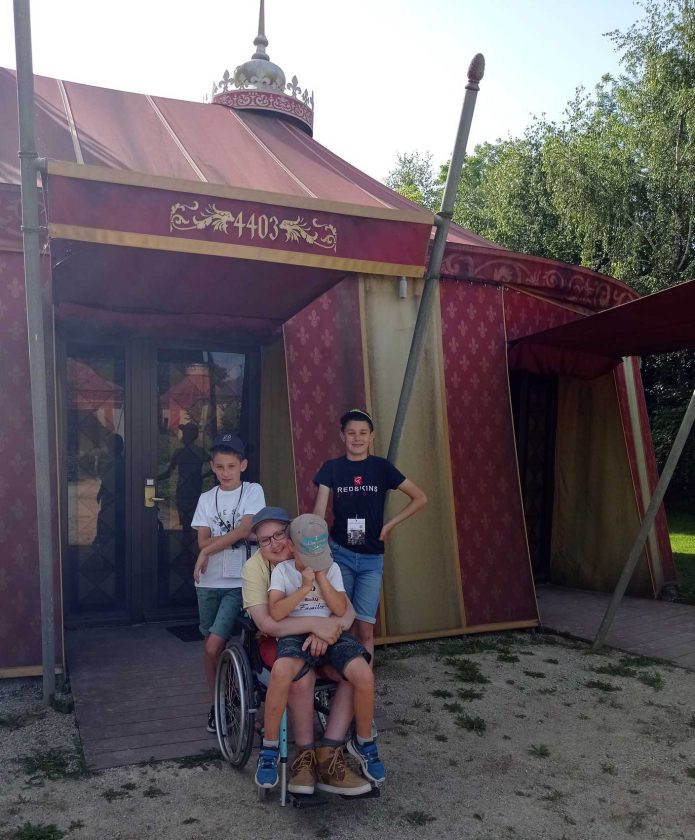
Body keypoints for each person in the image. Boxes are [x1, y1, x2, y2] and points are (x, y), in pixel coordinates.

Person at [242, 507, 371, 796]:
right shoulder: (257, 568)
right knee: (301, 678)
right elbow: (267, 623)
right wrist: (317, 626)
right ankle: (304, 756)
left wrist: (326, 631)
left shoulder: (313, 552)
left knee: (352, 671)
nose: (275, 544)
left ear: (291, 536)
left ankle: (330, 752)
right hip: (276, 636)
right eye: (265, 540)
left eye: (279, 535)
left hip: (324, 634)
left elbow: (347, 611)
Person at [313, 408, 427, 659]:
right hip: (340, 555)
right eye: (351, 433)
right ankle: (342, 676)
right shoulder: (331, 468)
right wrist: (314, 544)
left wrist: (390, 524)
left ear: (371, 436)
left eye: (363, 433)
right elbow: (319, 512)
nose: (357, 438)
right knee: (341, 622)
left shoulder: (381, 468)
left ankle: (364, 681)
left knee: (365, 629)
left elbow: (420, 498)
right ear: (342, 435)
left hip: (371, 559)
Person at [191, 432, 265, 733]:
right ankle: (219, 704)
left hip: (239, 581)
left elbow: (247, 529)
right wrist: (208, 548)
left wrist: (209, 549)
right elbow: (203, 540)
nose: (226, 472)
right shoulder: (206, 498)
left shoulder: (253, 491)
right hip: (208, 581)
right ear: (212, 466)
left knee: (214, 645)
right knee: (209, 645)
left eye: (231, 466)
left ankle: (239, 695)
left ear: (243, 465)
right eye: (220, 466)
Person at [157, 422, 206, 537]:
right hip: (193, 490)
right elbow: (215, 467)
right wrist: (203, 476)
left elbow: (168, 473)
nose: (182, 436)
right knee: (194, 522)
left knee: (186, 525)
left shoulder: (180, 452)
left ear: (190, 435)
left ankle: (189, 543)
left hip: (184, 491)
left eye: (185, 433)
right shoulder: (200, 452)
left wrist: (154, 478)